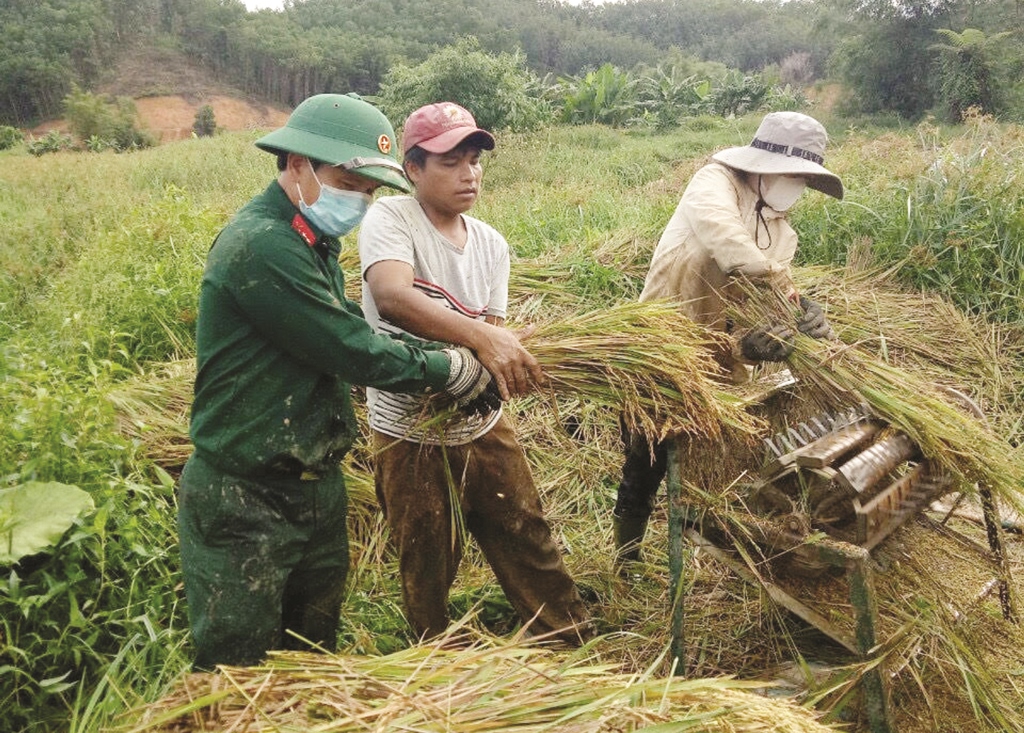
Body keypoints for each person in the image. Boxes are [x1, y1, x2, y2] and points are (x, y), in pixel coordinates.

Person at [177, 93, 494, 671]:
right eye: (350, 181)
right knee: (236, 670)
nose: (360, 200)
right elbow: (348, 347)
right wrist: (449, 367)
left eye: (369, 190)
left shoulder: (311, 241)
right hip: (246, 495)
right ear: (298, 163)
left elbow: (352, 327)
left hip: (312, 485)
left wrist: (437, 352)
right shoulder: (262, 246)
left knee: (311, 658)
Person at [357, 102, 593, 646]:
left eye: (475, 161)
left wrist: (493, 361)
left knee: (525, 529)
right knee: (426, 547)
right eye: (450, 163)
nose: (469, 174)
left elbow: (496, 333)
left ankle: (568, 640)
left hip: (478, 421)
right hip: (407, 425)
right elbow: (392, 296)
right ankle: (437, 657)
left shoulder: (491, 244)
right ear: (413, 170)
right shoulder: (390, 219)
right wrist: (482, 340)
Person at [613, 111, 845, 568]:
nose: (794, 186)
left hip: (721, 358)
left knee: (708, 462)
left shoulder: (783, 233)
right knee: (647, 456)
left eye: (803, 178)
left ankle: (703, 548)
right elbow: (727, 240)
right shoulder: (715, 182)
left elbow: (762, 304)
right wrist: (786, 290)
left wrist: (801, 319)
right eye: (789, 174)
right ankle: (627, 559)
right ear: (761, 164)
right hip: (663, 339)